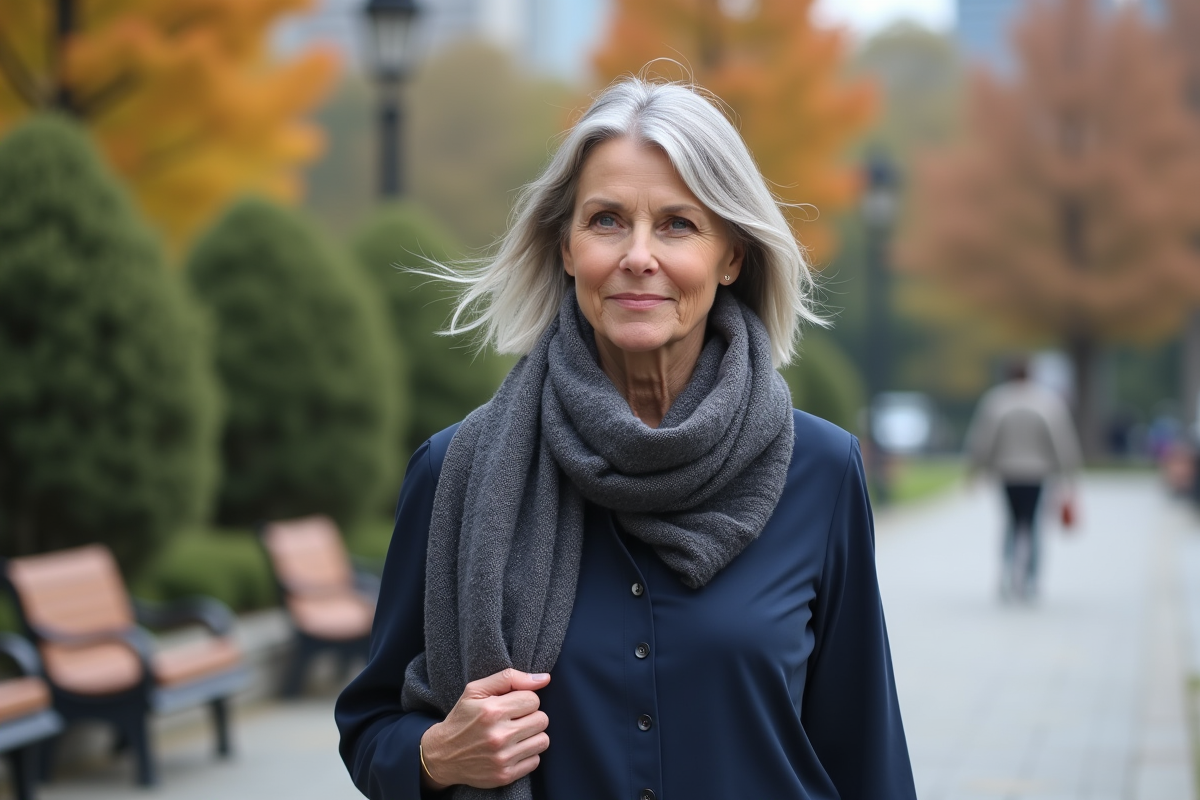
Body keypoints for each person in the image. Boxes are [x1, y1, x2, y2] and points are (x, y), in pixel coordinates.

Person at [335, 77, 916, 800]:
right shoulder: (455, 469)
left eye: (677, 224)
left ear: (730, 256)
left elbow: (866, 753)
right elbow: (370, 727)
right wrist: (436, 755)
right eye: (607, 220)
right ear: (568, 248)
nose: (638, 255)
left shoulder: (822, 472)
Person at [965, 358, 1082, 602]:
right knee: (1033, 524)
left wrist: (975, 470)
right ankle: (1030, 579)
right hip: (1036, 473)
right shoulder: (1047, 402)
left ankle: (1007, 574)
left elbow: (983, 439)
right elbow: (1061, 439)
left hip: (1007, 472)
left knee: (1010, 522)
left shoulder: (997, 401)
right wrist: (1069, 472)